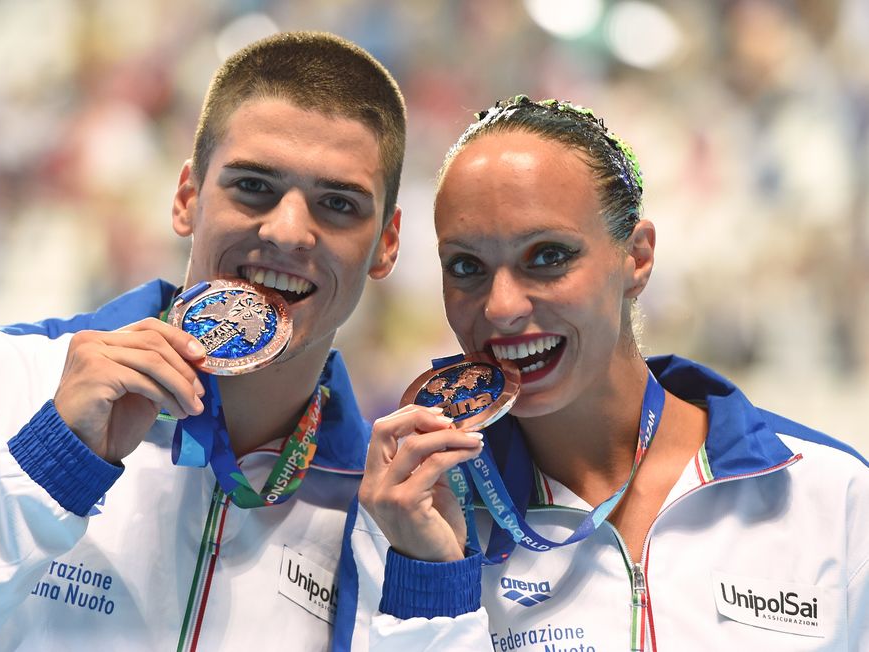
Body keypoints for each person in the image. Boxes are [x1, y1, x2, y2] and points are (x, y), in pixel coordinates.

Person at [0, 31, 405, 651]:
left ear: (387, 245)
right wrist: (50, 464)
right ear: (187, 197)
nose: (289, 231)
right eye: (253, 186)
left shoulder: (384, 509)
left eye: (338, 204)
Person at [336, 96, 868, 651]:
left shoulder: (830, 495)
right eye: (467, 267)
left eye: (547, 256)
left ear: (636, 258)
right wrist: (432, 581)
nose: (502, 307)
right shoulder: (407, 511)